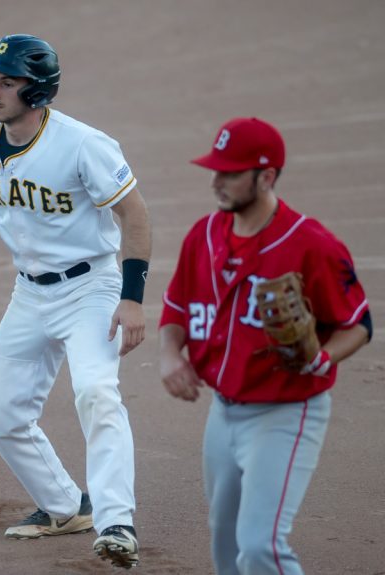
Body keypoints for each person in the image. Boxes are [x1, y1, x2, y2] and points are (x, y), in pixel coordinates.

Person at [0, 34, 152, 569]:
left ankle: (116, 522)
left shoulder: (83, 144)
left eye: (6, 81)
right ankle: (65, 506)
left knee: (96, 392)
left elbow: (134, 215)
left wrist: (132, 299)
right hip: (29, 292)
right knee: (2, 416)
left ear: (37, 92)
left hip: (92, 288)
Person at [158, 117, 372, 574]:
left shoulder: (311, 244)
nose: (216, 181)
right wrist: (169, 355)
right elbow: (175, 309)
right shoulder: (205, 235)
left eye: (230, 172)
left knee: (259, 547)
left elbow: (358, 324)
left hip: (285, 413)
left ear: (266, 176)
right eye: (215, 170)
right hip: (223, 413)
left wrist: (321, 357)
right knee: (224, 542)